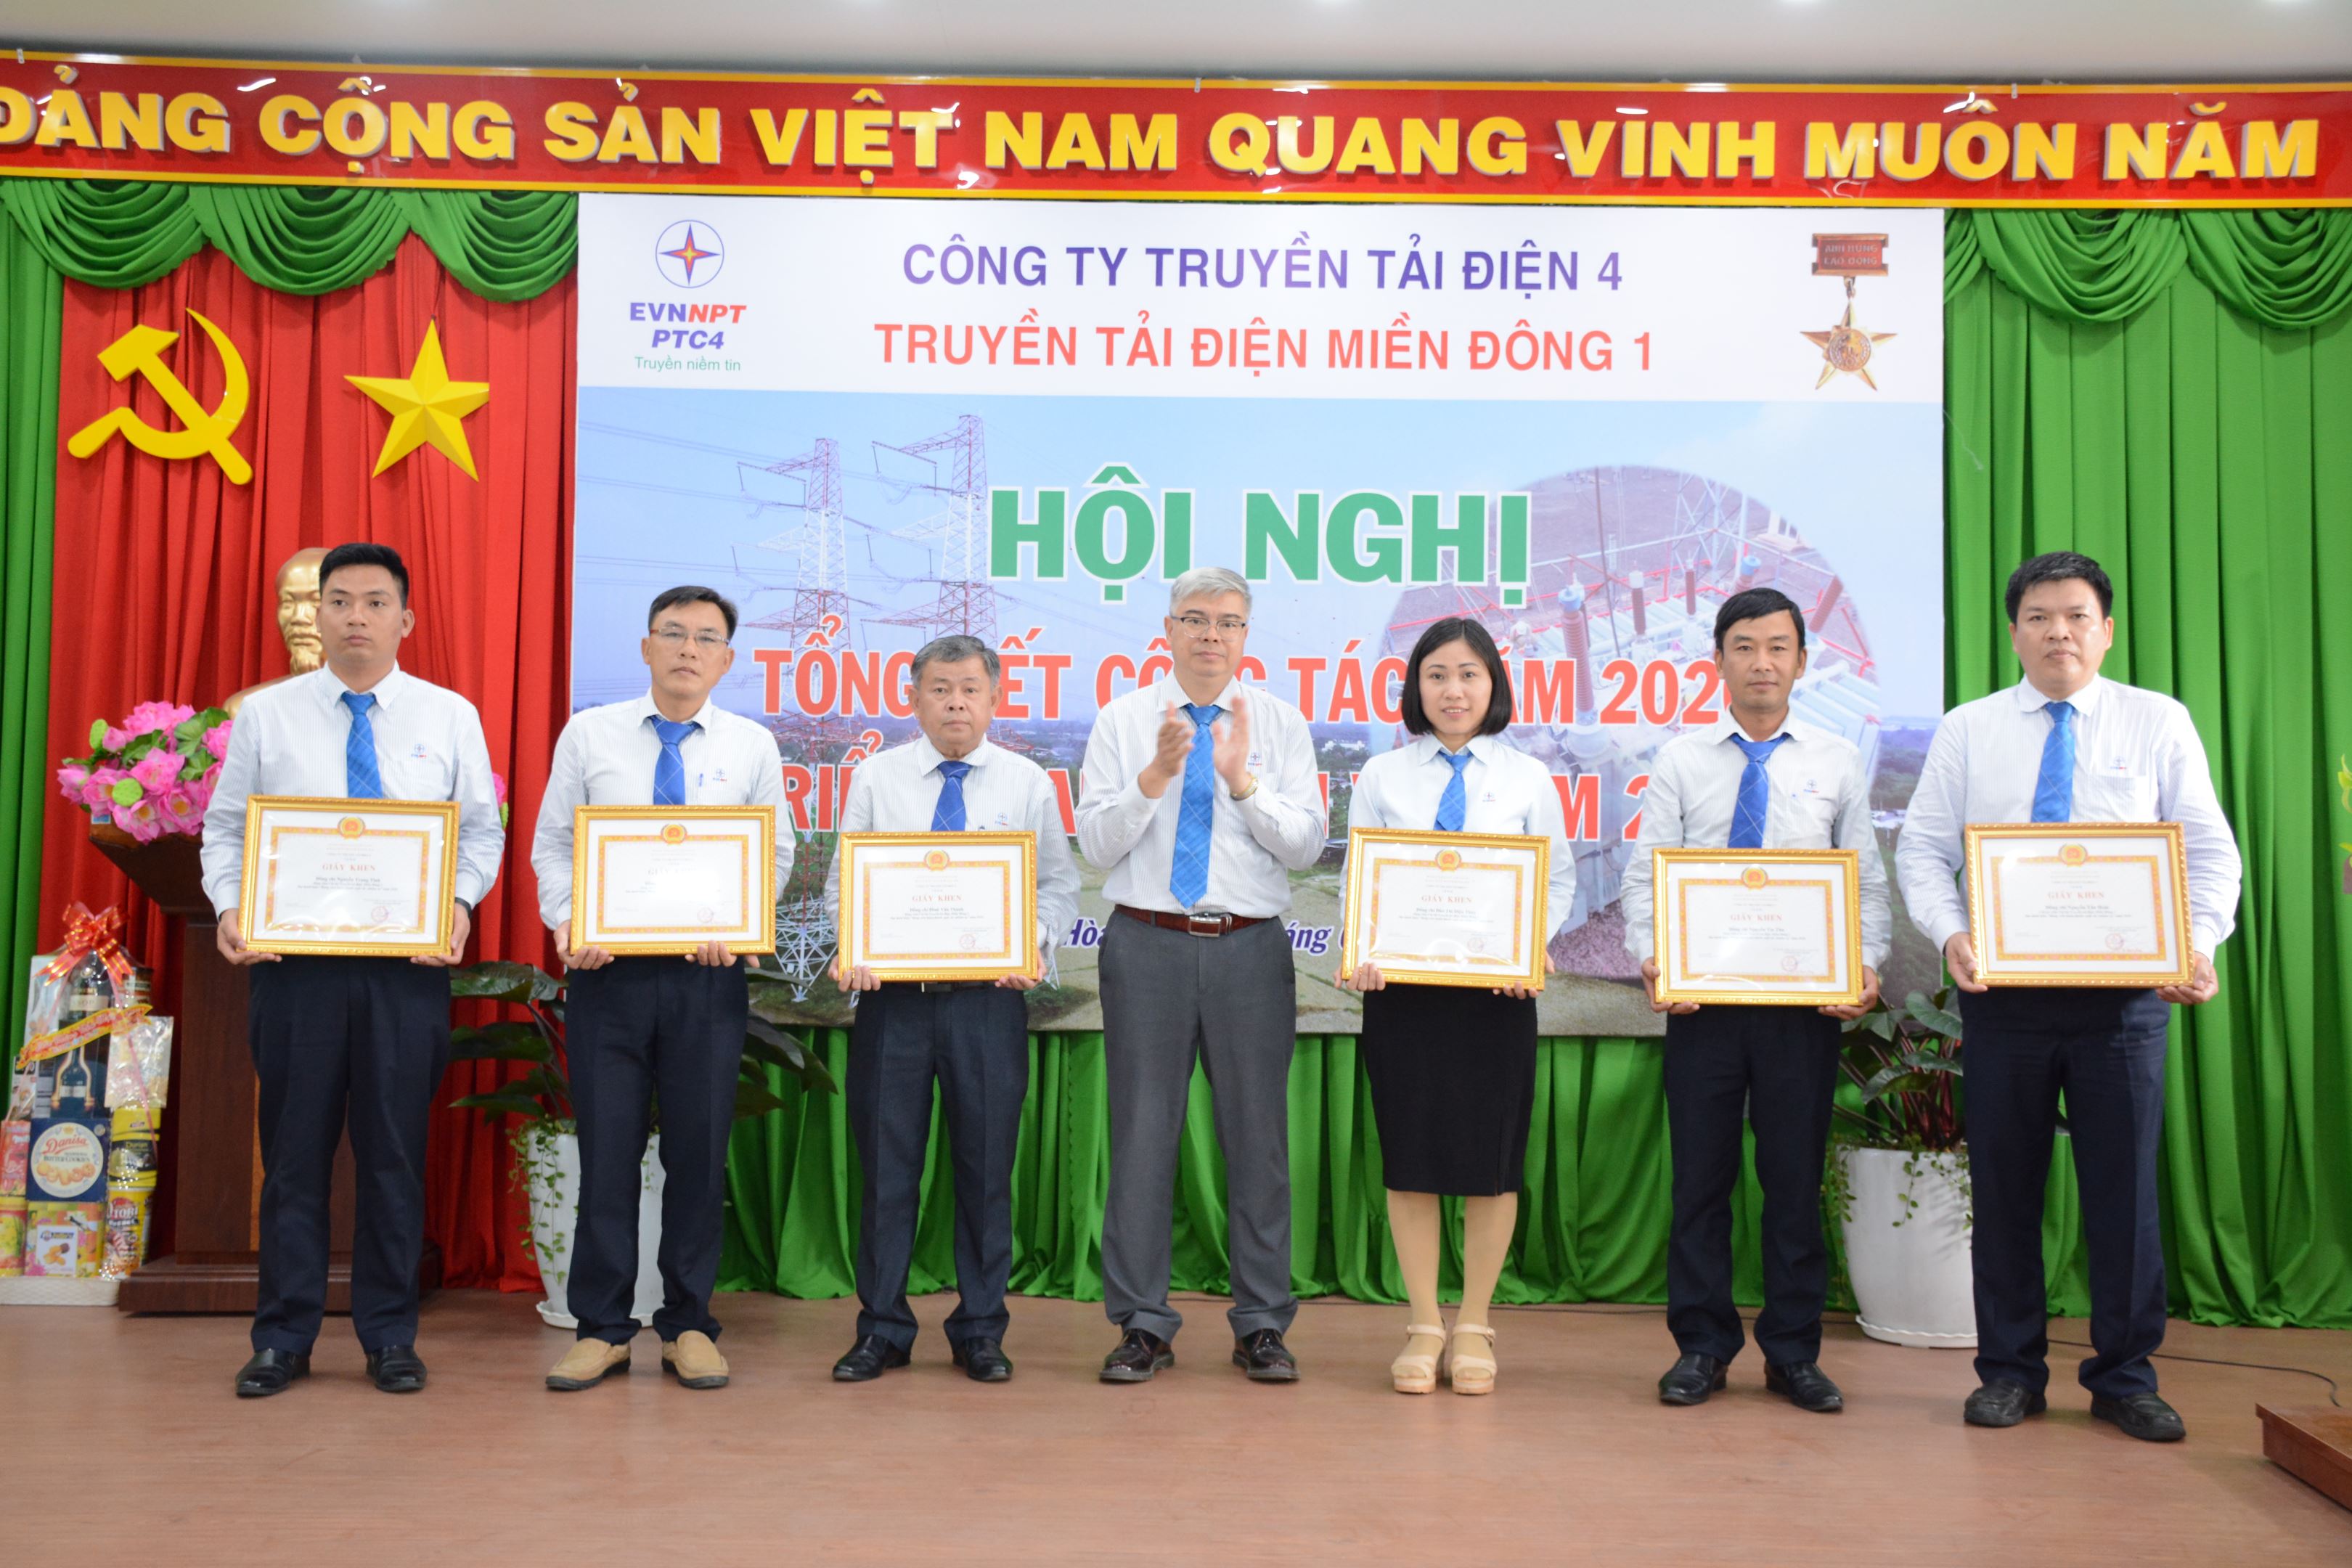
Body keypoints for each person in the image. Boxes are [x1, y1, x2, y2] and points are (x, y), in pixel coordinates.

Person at [1896, 551, 2239, 1443]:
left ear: (2106, 631)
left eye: (2077, 616)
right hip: (2003, 1000)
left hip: (2123, 1003)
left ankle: (2125, 1378)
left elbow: (2209, 850)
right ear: (2013, 632)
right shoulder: (1970, 729)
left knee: (2125, 1196)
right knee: (2006, 1190)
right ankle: (2009, 1373)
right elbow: (1923, 849)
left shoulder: (2157, 721)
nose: (2059, 633)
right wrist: (1951, 932)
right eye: (2040, 617)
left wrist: (2198, 943)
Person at [204, 542, 505, 1397]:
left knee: (393, 1158)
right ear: (318, 615)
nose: (356, 617)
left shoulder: (449, 715)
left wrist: (459, 905)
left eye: (375, 602)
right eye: (339, 601)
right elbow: (225, 828)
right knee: (293, 1158)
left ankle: (389, 1336)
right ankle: (283, 1339)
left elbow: (479, 832)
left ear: (406, 619)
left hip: (404, 970)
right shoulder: (268, 715)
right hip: (294, 968)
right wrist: (229, 906)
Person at [1620, 586, 1889, 1414]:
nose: (1761, 662)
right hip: (1702, 1010)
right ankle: (1701, 1347)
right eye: (1744, 647)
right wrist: (1653, 958)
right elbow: (1645, 877)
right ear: (1719, 661)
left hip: (1802, 1014)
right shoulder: (1681, 760)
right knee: (1700, 1184)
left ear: (1802, 662)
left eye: (1778, 647)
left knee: (1792, 1183)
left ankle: (1793, 1353)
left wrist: (1865, 964)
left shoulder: (1836, 762)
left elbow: (1865, 884)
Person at [530, 586, 791, 1393]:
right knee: (607, 1153)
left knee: (697, 1155)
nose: (687, 649)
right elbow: (554, 846)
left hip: (704, 980)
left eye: (705, 638)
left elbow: (774, 854)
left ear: (727, 660)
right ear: (645, 647)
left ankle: (689, 1325)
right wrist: (570, 922)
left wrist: (739, 924)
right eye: (672, 633)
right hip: (607, 977)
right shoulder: (591, 734)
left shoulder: (751, 745)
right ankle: (602, 1328)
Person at [1076, 565, 1327, 1384]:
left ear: (1246, 635)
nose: (1211, 635)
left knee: (1258, 1141)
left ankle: (1262, 1322)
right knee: (1142, 1137)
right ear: (1169, 630)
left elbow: (1306, 847)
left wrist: (1241, 782)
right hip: (1145, 943)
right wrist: (1153, 778)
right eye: (1195, 619)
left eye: (1228, 622)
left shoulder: (1280, 723)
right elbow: (1096, 846)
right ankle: (1141, 1323)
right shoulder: (1123, 720)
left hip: (1248, 948)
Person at [825, 634, 1080, 1384]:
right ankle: (882, 1329)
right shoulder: (877, 777)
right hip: (893, 1006)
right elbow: (845, 884)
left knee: (985, 1170)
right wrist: (854, 944)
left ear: (995, 699)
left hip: (987, 1006)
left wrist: (1031, 942)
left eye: (970, 689)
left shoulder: (1027, 782)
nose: (956, 703)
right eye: (940, 689)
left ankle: (980, 1329)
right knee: (886, 1171)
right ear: (914, 699)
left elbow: (1058, 887)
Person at [1335, 616, 1578, 1396]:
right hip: (1403, 998)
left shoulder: (1528, 777)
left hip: (1495, 998)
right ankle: (1422, 1324)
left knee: (1491, 1166)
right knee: (1411, 1158)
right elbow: (1360, 878)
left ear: (1493, 685)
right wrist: (1362, 947)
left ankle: (1473, 1323)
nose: (1453, 689)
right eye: (1437, 674)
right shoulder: (1383, 775)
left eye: (1469, 674)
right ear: (1416, 686)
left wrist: (1529, 946)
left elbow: (1558, 880)